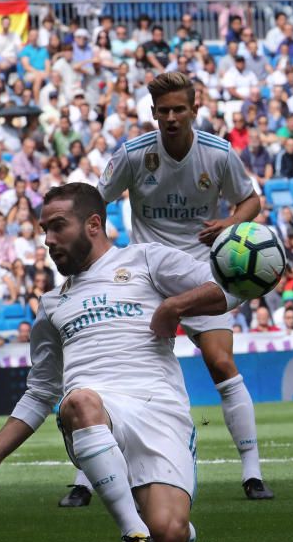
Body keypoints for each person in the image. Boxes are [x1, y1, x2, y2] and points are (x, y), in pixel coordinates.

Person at [0, 183, 243, 542]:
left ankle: (160, 528)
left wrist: (174, 305)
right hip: (93, 412)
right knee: (79, 400)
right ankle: (134, 534)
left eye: (58, 227)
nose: (49, 241)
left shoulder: (146, 260)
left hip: (159, 410)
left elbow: (232, 287)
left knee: (171, 536)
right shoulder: (52, 304)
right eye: (44, 231)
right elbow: (40, 393)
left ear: (93, 224)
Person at [93, 72, 272, 502]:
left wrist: (230, 223)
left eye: (179, 109)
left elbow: (251, 201)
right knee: (117, 378)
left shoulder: (218, 154)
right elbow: (96, 201)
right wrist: (108, 255)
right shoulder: (133, 155)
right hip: (145, 275)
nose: (171, 117)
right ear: (153, 114)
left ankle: (252, 473)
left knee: (220, 363)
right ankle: (90, 477)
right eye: (163, 111)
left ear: (194, 109)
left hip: (199, 272)